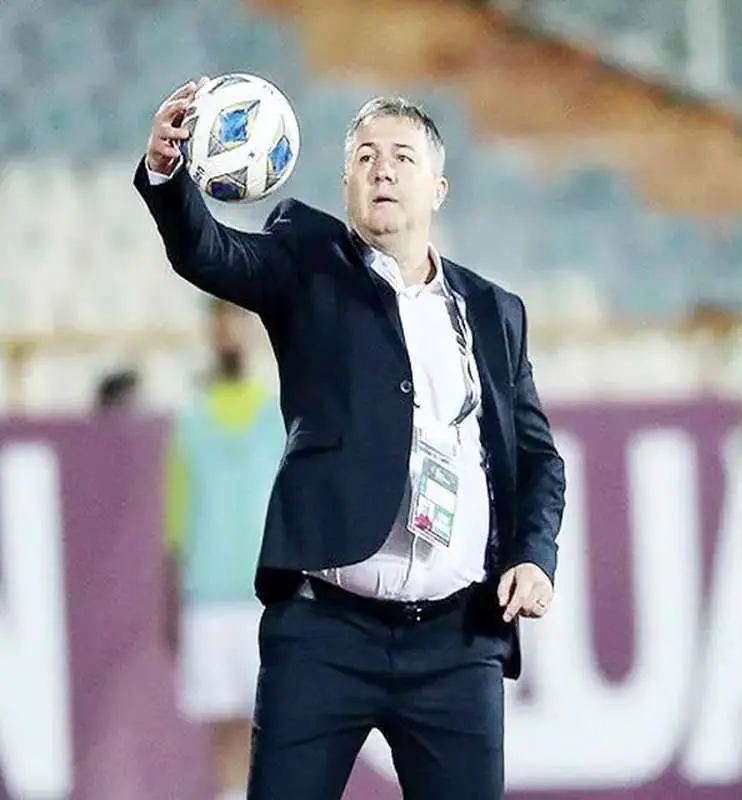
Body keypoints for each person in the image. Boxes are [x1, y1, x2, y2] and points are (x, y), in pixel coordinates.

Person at [135, 79, 566, 800]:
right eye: (365, 157)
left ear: (438, 189)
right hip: (326, 633)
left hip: (456, 642)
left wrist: (535, 555)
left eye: (401, 157)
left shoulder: (495, 313)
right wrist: (166, 173)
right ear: (346, 185)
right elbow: (207, 252)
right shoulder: (307, 263)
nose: (382, 170)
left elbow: (537, 458)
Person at [164, 299, 284, 800]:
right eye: (221, 319)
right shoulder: (191, 419)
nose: (230, 330)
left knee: (272, 728)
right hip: (210, 598)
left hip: (265, 599)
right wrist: (172, 598)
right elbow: (178, 519)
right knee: (226, 734)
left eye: (238, 318)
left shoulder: (278, 414)